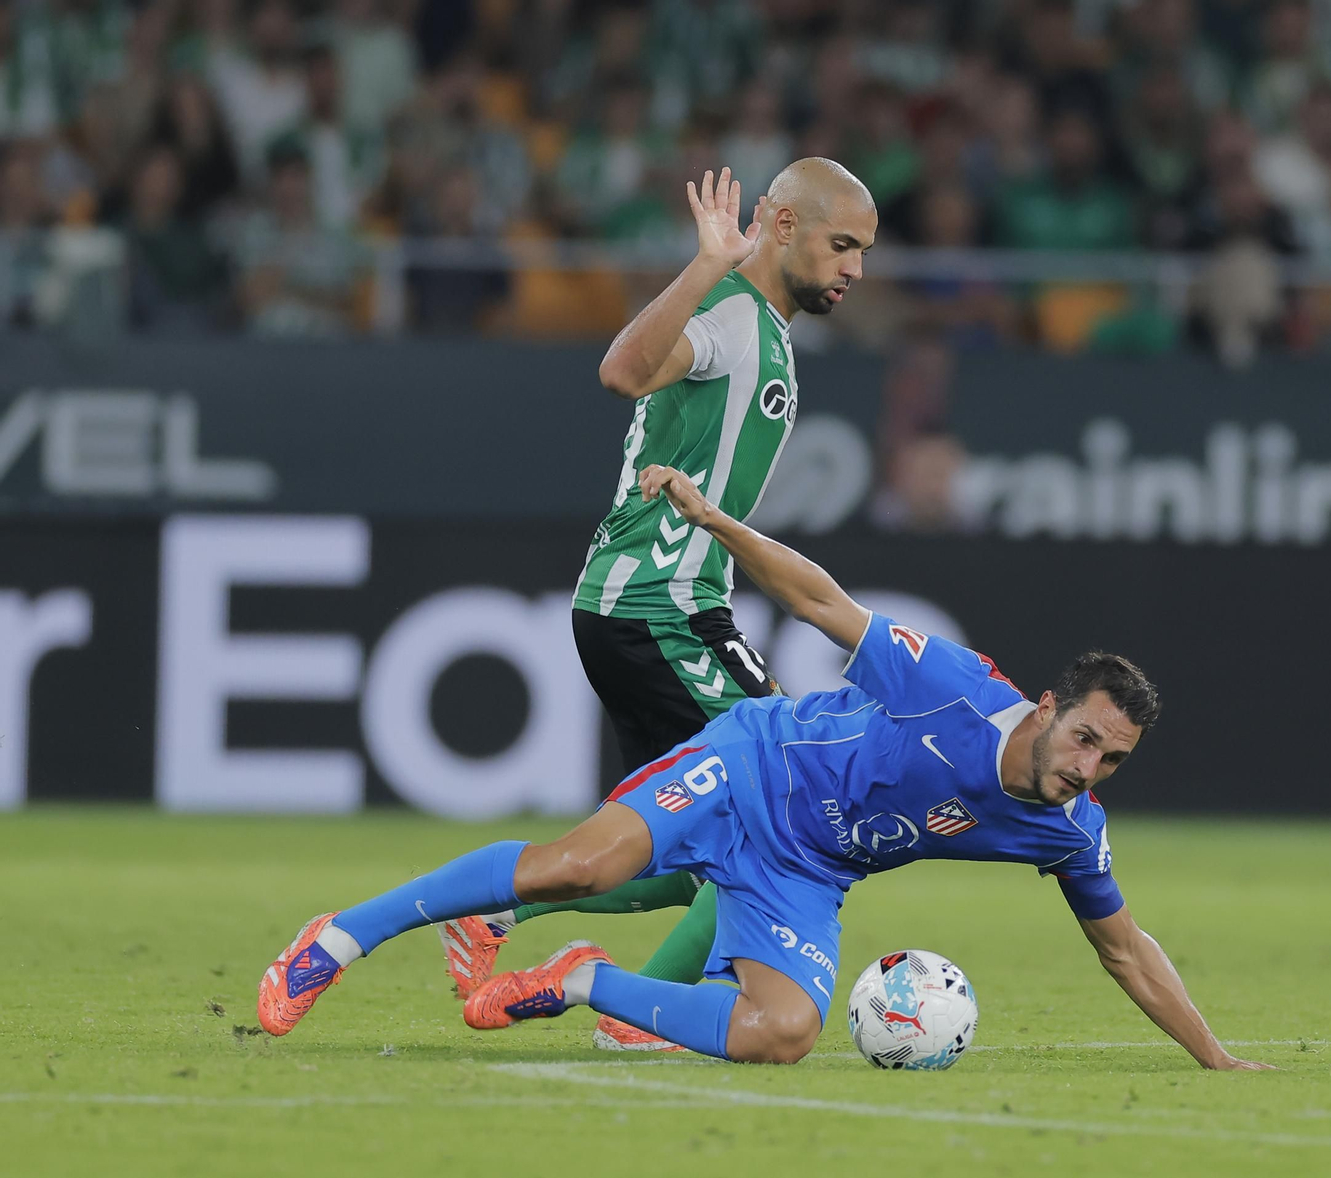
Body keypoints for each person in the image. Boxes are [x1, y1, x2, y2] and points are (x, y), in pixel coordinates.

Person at [258, 464, 1273, 1073]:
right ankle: (338, 939)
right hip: (750, 764)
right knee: (580, 867)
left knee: (783, 1032)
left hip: (807, 869)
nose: (1087, 768)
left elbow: (1126, 949)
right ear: (1049, 710)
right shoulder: (953, 689)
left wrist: (1213, 1053)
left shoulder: (1067, 827)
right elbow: (825, 602)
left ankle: (580, 981)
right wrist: (716, 526)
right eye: (1084, 740)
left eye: (1112, 760)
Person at [432, 161, 877, 1052]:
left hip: (659, 604)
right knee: (798, 800)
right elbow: (623, 369)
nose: (855, 270)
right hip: (660, 605)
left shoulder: (769, 331)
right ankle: (645, 1018)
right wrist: (710, 263)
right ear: (780, 224)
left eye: (863, 253)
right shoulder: (729, 317)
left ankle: (503, 914)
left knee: (683, 857)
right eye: (843, 245)